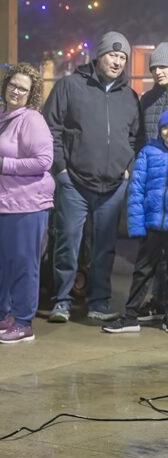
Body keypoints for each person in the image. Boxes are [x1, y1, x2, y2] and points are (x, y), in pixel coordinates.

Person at [44, 31, 139, 323]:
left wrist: (127, 170)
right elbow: (52, 128)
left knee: (104, 248)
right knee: (67, 242)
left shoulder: (129, 96)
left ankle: (100, 300)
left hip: (113, 186)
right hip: (74, 182)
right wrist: (61, 170)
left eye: (123, 57)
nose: (117, 61)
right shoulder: (70, 86)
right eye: (113, 54)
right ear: (99, 55)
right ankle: (62, 300)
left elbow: (133, 137)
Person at [0, 63, 55, 344]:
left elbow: (43, 162)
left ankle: (22, 322)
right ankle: (0, 316)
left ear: (31, 94)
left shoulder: (32, 120)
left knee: (22, 264)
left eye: (23, 88)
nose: (16, 91)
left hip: (25, 205)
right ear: (4, 86)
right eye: (13, 85)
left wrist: (0, 163)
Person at [102, 110, 168, 334]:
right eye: (165, 127)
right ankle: (130, 316)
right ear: (160, 130)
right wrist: (137, 226)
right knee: (142, 271)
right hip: (152, 226)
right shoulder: (148, 153)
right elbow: (136, 193)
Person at [134, 42, 168, 321]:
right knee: (153, 247)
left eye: (164, 65)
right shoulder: (146, 100)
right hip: (154, 182)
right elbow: (140, 139)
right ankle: (157, 301)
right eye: (155, 67)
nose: (158, 71)